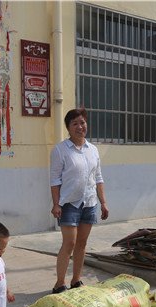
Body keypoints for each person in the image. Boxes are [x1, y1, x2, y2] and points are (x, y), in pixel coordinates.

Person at [49, 108, 109, 294]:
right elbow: (55, 180)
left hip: (89, 203)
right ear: (68, 127)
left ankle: (76, 280)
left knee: (82, 244)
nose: (79, 126)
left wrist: (103, 202)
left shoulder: (93, 150)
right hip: (69, 204)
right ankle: (59, 283)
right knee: (70, 243)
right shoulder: (60, 150)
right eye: (74, 123)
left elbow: (98, 177)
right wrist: (56, 203)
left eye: (82, 122)